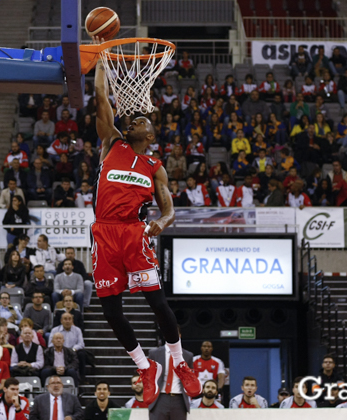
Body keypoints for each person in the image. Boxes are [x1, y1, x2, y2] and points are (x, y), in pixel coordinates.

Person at [91, 44, 200, 406]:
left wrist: (161, 223)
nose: (134, 120)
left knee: (158, 303)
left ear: (151, 134)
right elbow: (100, 95)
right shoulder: (111, 143)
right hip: (104, 232)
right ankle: (143, 366)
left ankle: (180, 363)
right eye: (133, 119)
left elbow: (169, 209)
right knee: (110, 311)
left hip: (133, 234)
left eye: (142, 121)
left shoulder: (155, 167)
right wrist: (103, 58)